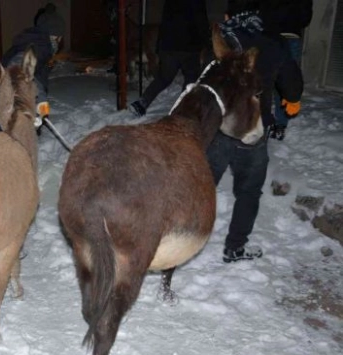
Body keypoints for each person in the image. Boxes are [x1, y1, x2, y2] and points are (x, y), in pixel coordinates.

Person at [207, 0, 303, 263]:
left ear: (229, 14)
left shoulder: (219, 40)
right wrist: (292, 100)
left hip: (219, 128)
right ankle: (235, 248)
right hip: (253, 131)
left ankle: (181, 233)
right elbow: (292, 84)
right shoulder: (274, 42)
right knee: (249, 192)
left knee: (202, 185)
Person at [0, 3, 65, 132]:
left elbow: (35, 79)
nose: (60, 41)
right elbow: (18, 71)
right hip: (5, 112)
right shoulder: (40, 47)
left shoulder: (35, 43)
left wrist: (41, 106)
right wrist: (41, 106)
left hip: (0, 107)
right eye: (59, 37)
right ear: (55, 36)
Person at [129, 0, 210, 117]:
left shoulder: (170, 3)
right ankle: (183, 109)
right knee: (191, 78)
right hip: (189, 46)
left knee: (164, 77)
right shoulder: (197, 2)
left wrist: (159, 46)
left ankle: (142, 103)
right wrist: (208, 42)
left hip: (168, 45)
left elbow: (164, 22)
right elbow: (201, 21)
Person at [259, 0, 313, 140]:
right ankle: (278, 125)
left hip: (270, 35)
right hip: (286, 34)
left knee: (265, 79)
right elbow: (305, 16)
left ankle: (265, 123)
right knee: (284, 81)